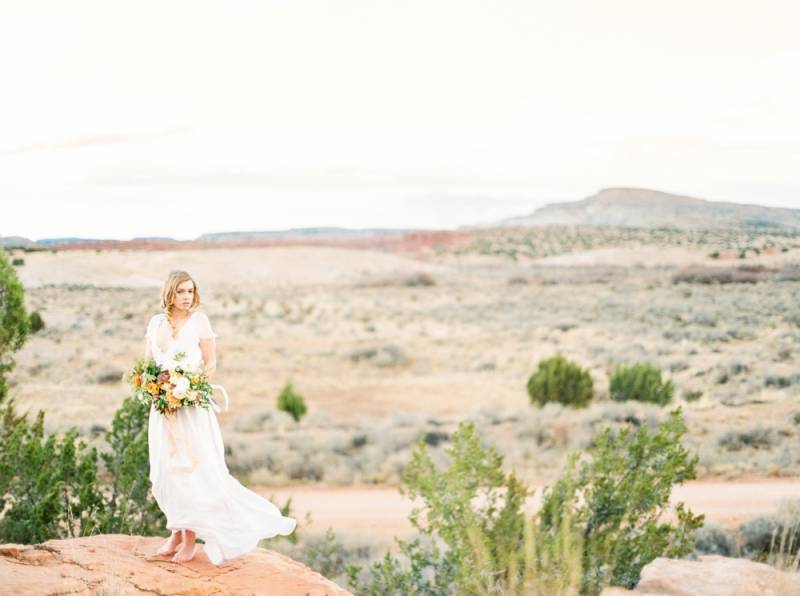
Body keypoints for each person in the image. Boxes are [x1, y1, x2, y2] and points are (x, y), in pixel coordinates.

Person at [144, 270, 296, 565]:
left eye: (191, 291)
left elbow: (211, 363)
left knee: (193, 468)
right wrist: (155, 388)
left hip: (191, 408)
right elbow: (148, 365)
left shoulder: (200, 321)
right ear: (170, 294)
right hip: (163, 410)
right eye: (182, 292)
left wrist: (187, 387)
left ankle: (190, 539)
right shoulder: (155, 323)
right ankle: (176, 530)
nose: (187, 297)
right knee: (166, 468)